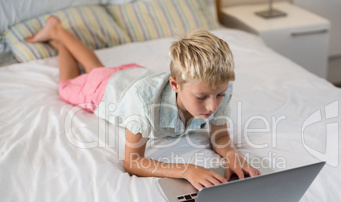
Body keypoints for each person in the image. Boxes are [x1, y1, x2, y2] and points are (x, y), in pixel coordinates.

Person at [27, 15, 261, 190]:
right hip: (107, 90)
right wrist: (187, 170)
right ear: (175, 85)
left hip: (134, 76)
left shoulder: (220, 85)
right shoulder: (144, 103)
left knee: (97, 70)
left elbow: (219, 136)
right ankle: (58, 38)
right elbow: (133, 161)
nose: (213, 106)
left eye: (219, 95)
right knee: (68, 85)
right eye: (201, 98)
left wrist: (231, 154)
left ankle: (58, 31)